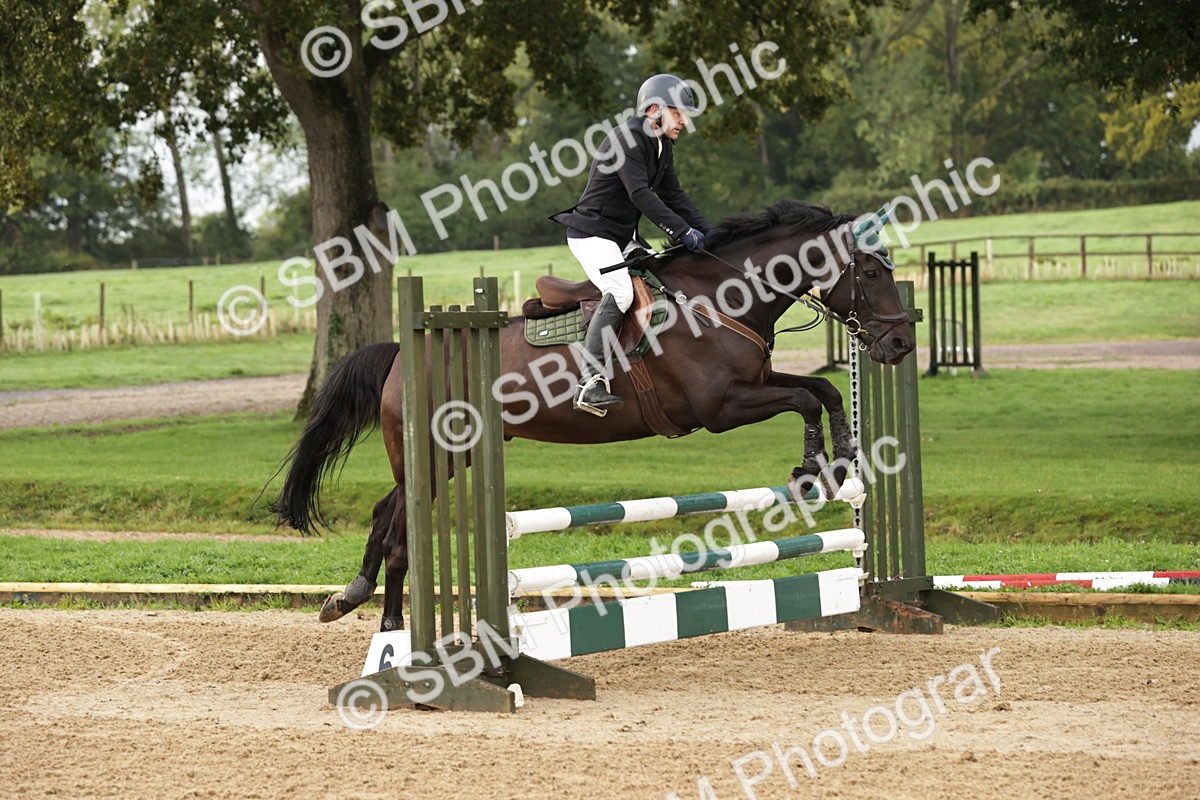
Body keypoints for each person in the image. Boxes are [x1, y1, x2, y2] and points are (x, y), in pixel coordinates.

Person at [550, 73, 712, 417]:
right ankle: (589, 383)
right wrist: (682, 231)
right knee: (621, 293)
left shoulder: (661, 145)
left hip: (622, 237)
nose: (684, 121)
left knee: (665, 277)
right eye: (678, 113)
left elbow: (674, 195)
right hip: (592, 234)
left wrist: (709, 233)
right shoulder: (627, 139)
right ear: (654, 110)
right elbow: (640, 195)